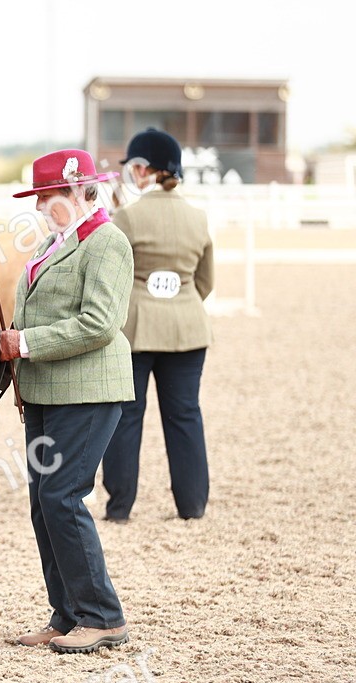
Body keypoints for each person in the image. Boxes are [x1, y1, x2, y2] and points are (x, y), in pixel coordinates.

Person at [0, 149, 134, 654]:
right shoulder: (54, 243)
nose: (42, 207)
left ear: (79, 191)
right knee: (43, 504)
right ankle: (67, 614)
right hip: (47, 392)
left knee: (61, 497)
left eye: (49, 198)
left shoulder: (106, 243)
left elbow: (99, 323)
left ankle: (103, 616)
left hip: (89, 391)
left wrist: (23, 343)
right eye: (39, 199)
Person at [103, 128, 213, 521]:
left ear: (145, 169)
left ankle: (120, 507)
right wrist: (180, 301)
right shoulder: (198, 218)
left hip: (136, 331)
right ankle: (192, 504)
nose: (130, 174)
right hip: (188, 329)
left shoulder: (127, 217)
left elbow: (111, 276)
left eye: (133, 167)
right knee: (185, 415)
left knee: (126, 416)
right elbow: (206, 281)